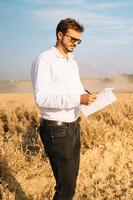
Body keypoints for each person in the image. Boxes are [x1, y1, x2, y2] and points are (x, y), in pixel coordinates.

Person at [31, 18, 97, 200]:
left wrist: (89, 97)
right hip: (56, 129)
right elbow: (41, 98)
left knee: (70, 184)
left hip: (74, 126)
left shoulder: (72, 62)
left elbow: (77, 90)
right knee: (65, 189)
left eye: (78, 40)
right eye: (72, 39)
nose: (75, 43)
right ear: (60, 35)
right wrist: (78, 98)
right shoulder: (45, 59)